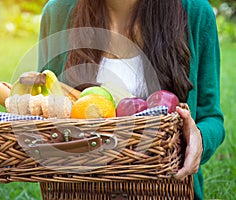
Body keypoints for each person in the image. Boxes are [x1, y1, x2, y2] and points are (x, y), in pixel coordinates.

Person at [37, 0, 225, 199]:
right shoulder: (57, 12)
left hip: (166, 190)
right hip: (79, 190)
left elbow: (211, 117)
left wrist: (200, 139)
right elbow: (42, 110)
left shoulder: (195, 12)